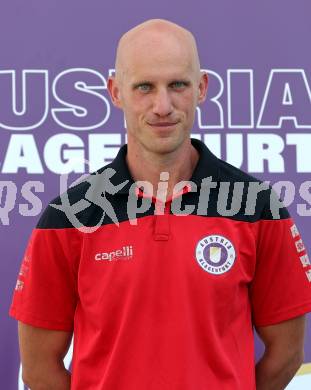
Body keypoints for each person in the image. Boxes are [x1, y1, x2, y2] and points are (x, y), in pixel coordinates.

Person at [10, 19, 311, 390]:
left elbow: (286, 355)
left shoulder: (257, 207)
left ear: (201, 88)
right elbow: (39, 370)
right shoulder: (69, 216)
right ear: (116, 92)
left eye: (178, 85)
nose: (163, 105)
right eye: (144, 87)